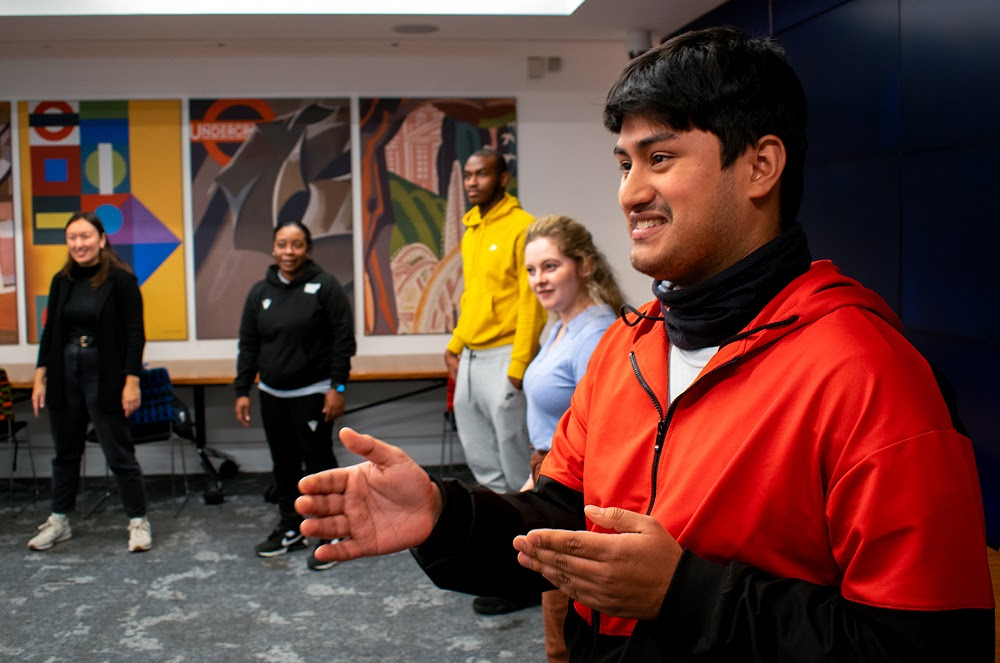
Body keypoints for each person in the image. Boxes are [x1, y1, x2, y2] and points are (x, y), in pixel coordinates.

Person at [296, 27, 994, 661]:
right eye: (624, 163)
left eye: (660, 157)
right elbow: (561, 523)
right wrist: (445, 515)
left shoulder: (873, 374)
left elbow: (927, 646)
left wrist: (686, 592)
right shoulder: (628, 349)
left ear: (760, 166)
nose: (631, 192)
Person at [521, 215, 624, 661]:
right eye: (531, 270)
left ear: (583, 266)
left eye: (550, 267)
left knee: (566, 615)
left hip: (572, 480)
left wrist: (545, 486)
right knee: (555, 606)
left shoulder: (595, 333)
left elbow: (602, 430)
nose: (538, 280)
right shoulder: (558, 324)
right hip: (547, 466)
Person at [235, 219, 356, 571]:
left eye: (297, 245)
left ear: (308, 249)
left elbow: (343, 341)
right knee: (283, 465)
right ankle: (291, 528)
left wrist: (339, 387)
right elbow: (249, 344)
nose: (289, 252)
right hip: (271, 393)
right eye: (283, 245)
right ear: (273, 249)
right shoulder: (260, 292)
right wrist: (242, 389)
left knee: (317, 464)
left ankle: (333, 530)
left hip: (314, 393)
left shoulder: (325, 287)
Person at [29, 211, 151, 553]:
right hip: (65, 370)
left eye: (85, 237)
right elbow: (50, 332)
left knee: (118, 452)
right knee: (65, 453)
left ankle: (138, 520)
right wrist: (40, 378)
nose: (79, 244)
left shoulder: (122, 280)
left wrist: (132, 381)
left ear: (101, 239)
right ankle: (59, 520)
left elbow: (135, 334)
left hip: (106, 372)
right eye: (72, 238)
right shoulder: (61, 280)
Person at [444, 146, 547, 496]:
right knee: (481, 459)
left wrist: (519, 365)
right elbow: (473, 295)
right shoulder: (471, 229)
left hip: (505, 356)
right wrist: (455, 344)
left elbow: (531, 301)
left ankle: (529, 538)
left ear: (503, 178)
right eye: (469, 175)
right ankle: (501, 537)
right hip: (470, 358)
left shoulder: (524, 227)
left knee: (515, 461)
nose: (473, 182)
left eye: (482, 174)